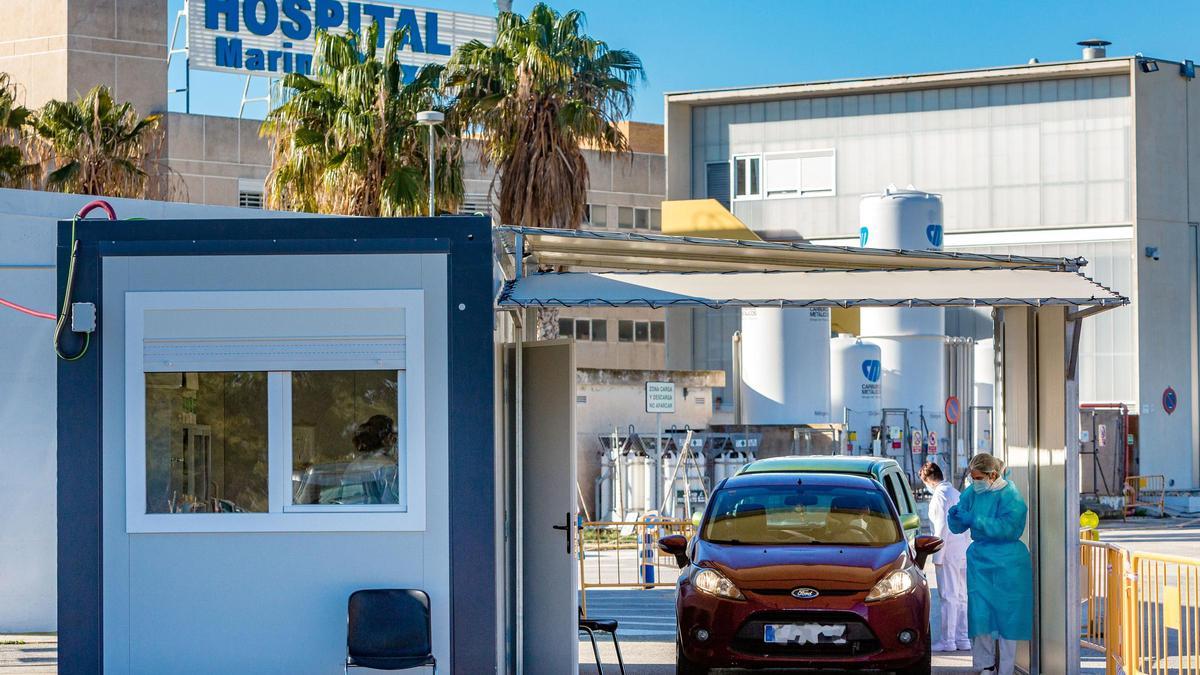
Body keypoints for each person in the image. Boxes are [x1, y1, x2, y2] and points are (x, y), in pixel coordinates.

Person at [947, 453, 1033, 675]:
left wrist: (975, 520)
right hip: (981, 561)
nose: (974, 482)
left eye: (978, 478)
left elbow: (1010, 527)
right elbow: (958, 525)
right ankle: (984, 665)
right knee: (980, 614)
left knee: (1008, 617)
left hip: (1009, 563)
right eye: (972, 478)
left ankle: (1006, 668)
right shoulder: (973, 492)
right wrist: (955, 516)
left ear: (992, 475)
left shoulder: (1010, 495)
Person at [919, 462, 971, 653]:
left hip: (948, 551)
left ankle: (948, 641)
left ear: (928, 480)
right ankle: (963, 638)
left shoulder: (940, 496)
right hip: (963, 550)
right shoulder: (956, 494)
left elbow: (941, 528)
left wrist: (937, 556)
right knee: (961, 596)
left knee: (948, 596)